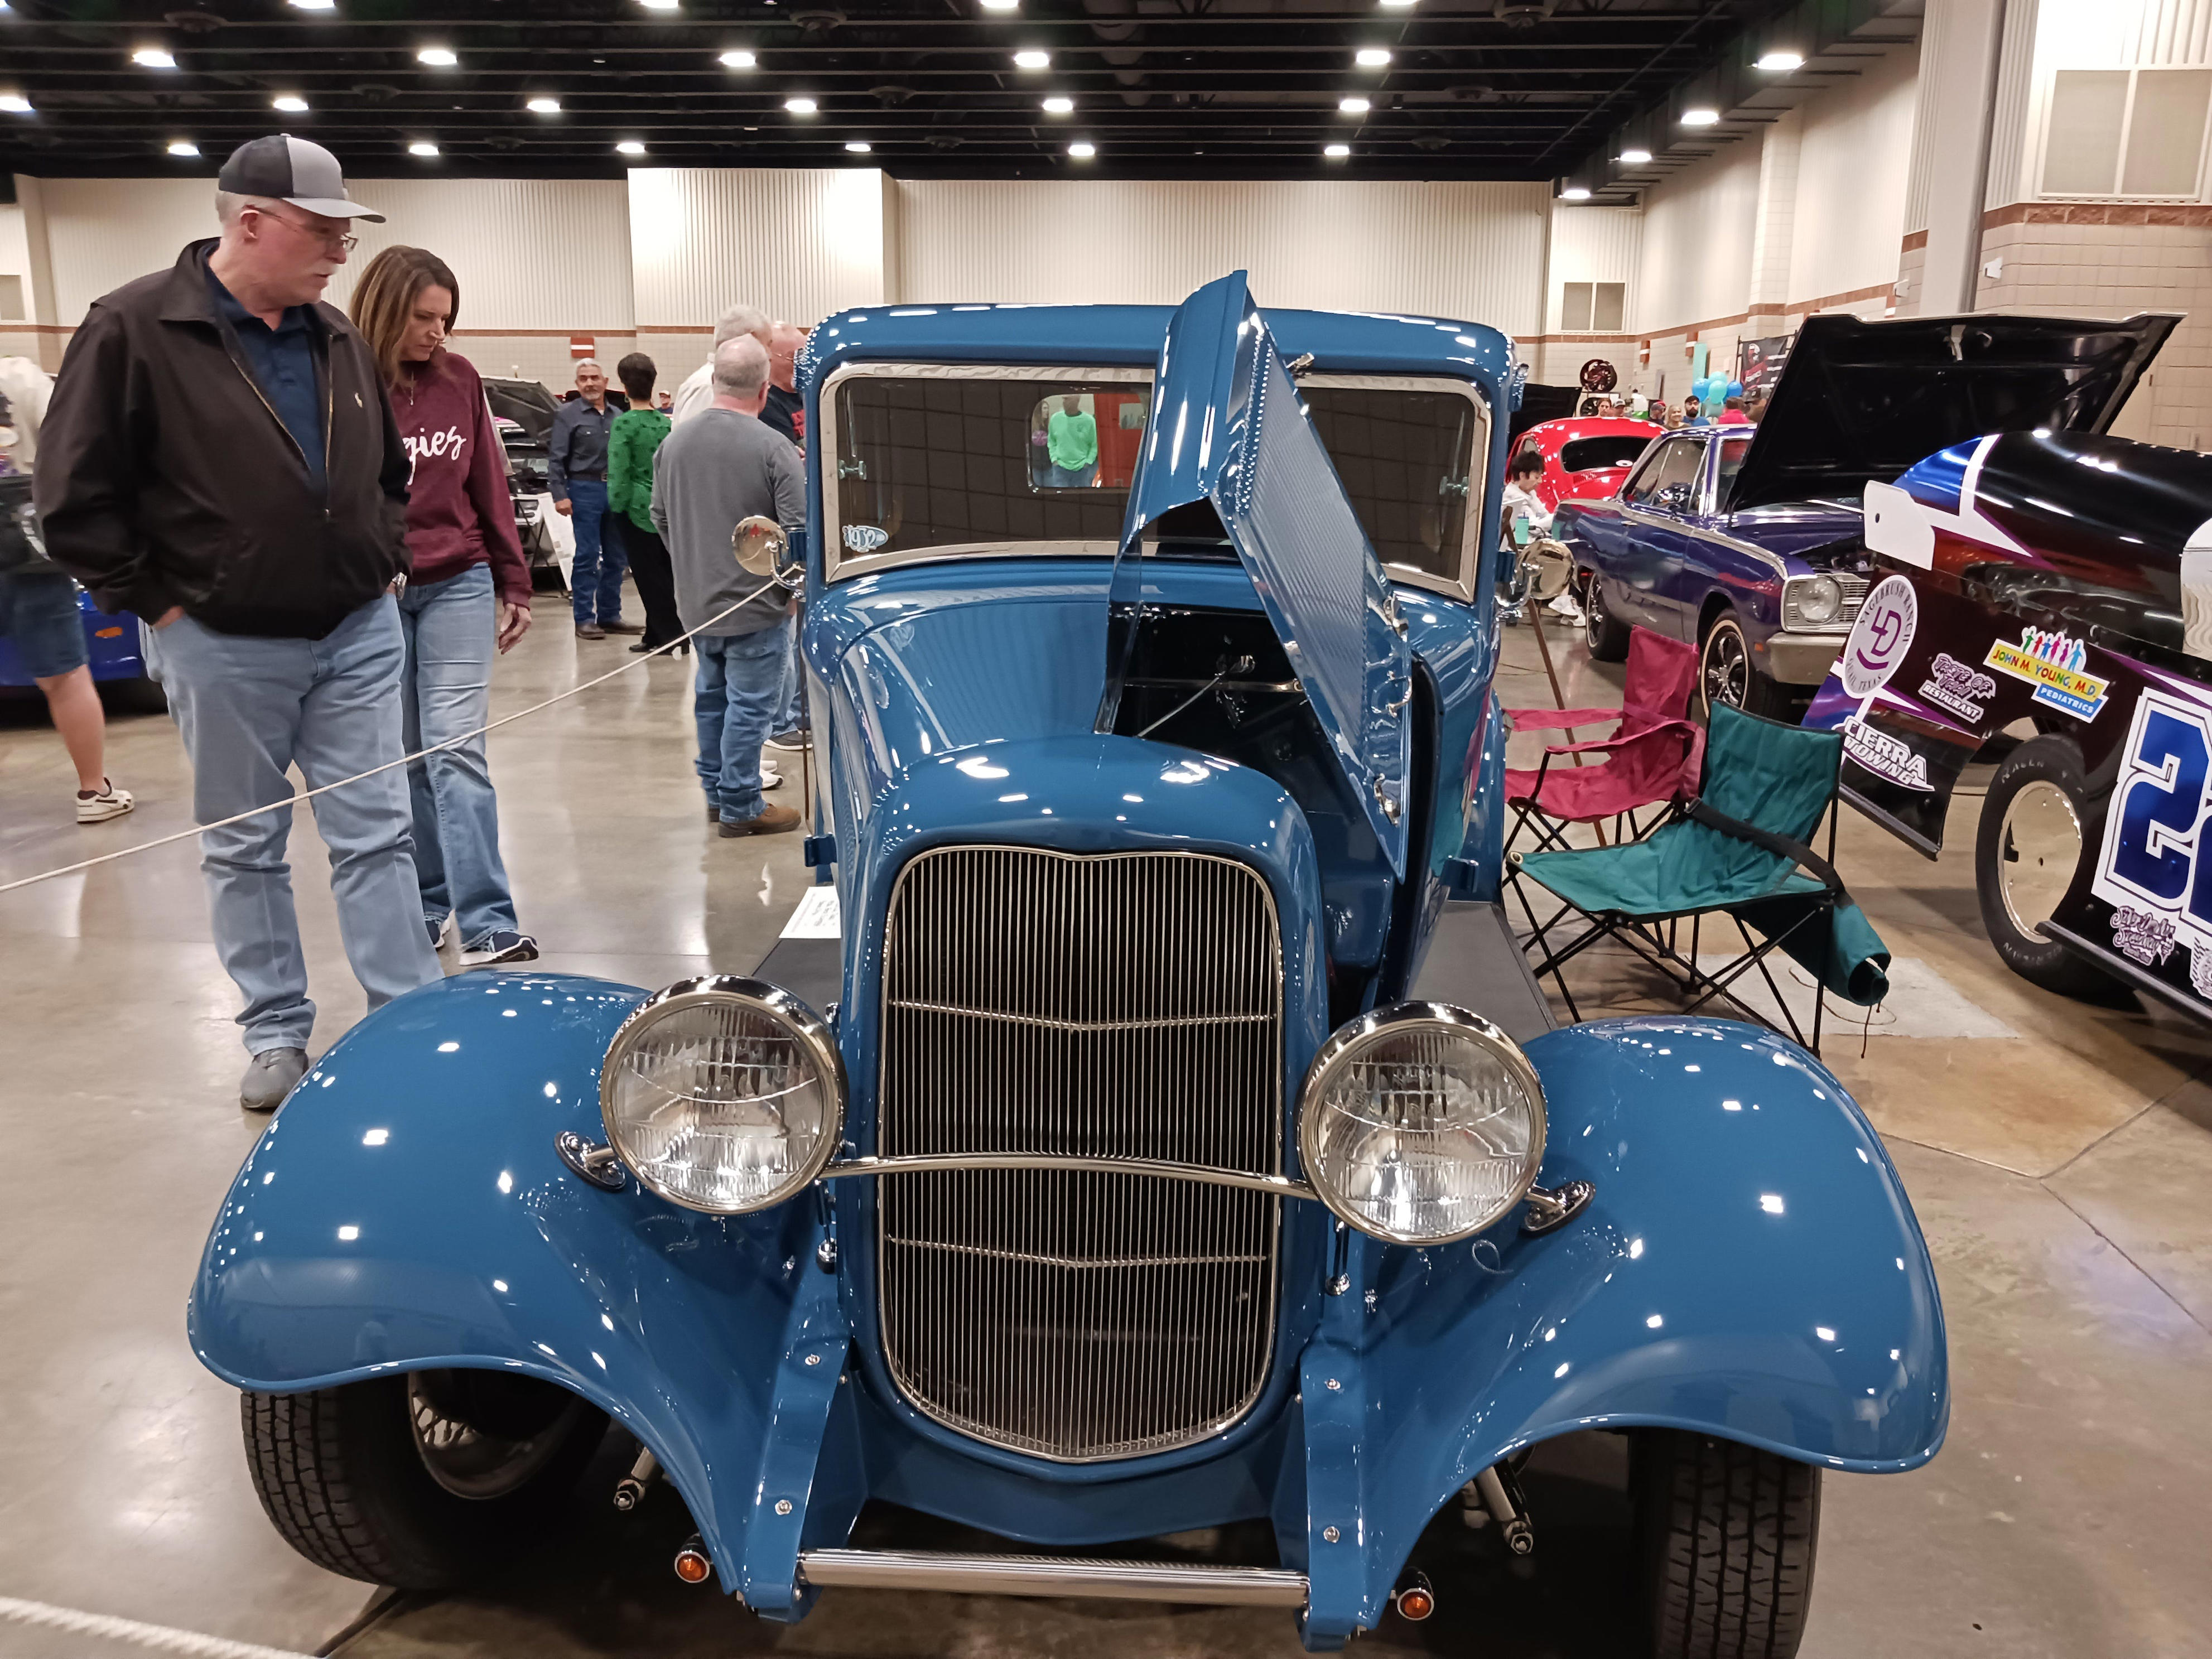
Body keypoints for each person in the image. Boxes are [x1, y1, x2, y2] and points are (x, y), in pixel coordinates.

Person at [36, 133, 442, 1112]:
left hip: (354, 629)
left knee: (376, 830)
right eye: (325, 229)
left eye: (347, 233)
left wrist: (381, 559)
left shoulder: (336, 334)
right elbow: (74, 498)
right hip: (219, 641)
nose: (341, 249)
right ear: (250, 221)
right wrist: (165, 603)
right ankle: (275, 1031)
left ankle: (406, 1021)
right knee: (244, 841)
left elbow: (388, 473)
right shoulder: (133, 328)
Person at [348, 243, 539, 968]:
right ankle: (428, 906)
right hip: (375, 590)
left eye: (446, 319)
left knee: (456, 750)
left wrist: (512, 579)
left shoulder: (458, 378)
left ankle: (489, 921)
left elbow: (487, 476)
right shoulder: (345, 377)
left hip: (458, 579)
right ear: (387, 308)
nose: (438, 333)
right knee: (410, 760)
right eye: (425, 318)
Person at [652, 335, 804, 837]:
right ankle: (742, 804)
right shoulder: (773, 447)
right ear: (765, 390)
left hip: (697, 607)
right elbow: (797, 530)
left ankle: (717, 795)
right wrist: (788, 594)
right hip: (756, 606)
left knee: (710, 699)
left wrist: (695, 567)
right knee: (750, 707)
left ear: (715, 380)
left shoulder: (672, 443)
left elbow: (660, 516)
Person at [0, 361, 134, 824]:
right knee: (65, 678)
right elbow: (75, 446)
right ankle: (94, 792)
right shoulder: (17, 377)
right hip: (27, 552)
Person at [548, 358, 637, 640]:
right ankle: (584, 618)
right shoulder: (568, 415)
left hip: (615, 491)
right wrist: (559, 495)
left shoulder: (618, 416)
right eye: (584, 378)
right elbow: (556, 458)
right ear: (577, 384)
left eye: (595, 378)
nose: (590, 383)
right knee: (587, 556)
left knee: (617, 559)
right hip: (584, 490)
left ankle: (610, 615)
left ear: (605, 382)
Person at [606, 352, 683, 653]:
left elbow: (619, 471)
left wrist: (616, 507)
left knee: (649, 577)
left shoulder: (624, 424)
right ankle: (654, 634)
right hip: (663, 507)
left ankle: (669, 635)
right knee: (663, 571)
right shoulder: (665, 423)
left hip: (634, 508)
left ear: (624, 387)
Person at [670, 302, 769, 426]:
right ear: (752, 339)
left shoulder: (717, 382)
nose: (770, 355)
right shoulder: (708, 386)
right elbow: (697, 441)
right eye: (768, 344)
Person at [1047, 393, 1098, 488]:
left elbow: (1095, 445)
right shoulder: (1055, 419)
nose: (1064, 402)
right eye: (1064, 399)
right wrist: (1054, 459)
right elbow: (1051, 441)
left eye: (1068, 399)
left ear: (1077, 401)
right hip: (1060, 468)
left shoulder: (1089, 421)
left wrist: (1088, 462)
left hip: (1082, 469)